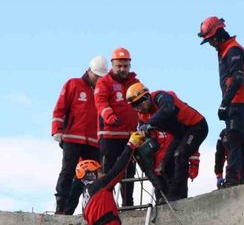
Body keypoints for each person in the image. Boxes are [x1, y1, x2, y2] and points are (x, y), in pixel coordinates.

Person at [199, 16, 244, 187]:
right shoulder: (226, 50)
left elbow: (237, 78)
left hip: (240, 102)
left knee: (233, 138)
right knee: (242, 140)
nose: (210, 44)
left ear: (217, 34)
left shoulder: (232, 50)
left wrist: (225, 103)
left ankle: (233, 180)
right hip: (241, 102)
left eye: (210, 40)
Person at [126, 82, 208, 201]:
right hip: (181, 133)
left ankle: (176, 195)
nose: (138, 108)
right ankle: (170, 195)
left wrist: (150, 124)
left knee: (180, 154)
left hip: (196, 126)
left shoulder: (160, 96)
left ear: (146, 97)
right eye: (134, 106)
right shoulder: (142, 116)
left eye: (139, 104)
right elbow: (144, 132)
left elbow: (169, 108)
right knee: (165, 164)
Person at [51, 56, 108, 214]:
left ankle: (79, 208)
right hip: (72, 137)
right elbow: (60, 108)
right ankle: (60, 206)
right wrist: (57, 129)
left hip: (93, 142)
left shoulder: (103, 90)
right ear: (89, 71)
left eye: (101, 77)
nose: (98, 79)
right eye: (96, 76)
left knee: (90, 176)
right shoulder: (73, 84)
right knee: (68, 171)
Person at [94, 48, 140, 206]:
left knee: (129, 172)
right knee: (109, 173)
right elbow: (100, 101)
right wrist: (109, 115)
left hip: (130, 136)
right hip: (109, 136)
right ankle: (107, 204)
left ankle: (128, 205)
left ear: (129, 65)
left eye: (125, 66)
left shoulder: (135, 83)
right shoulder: (104, 82)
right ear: (112, 65)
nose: (122, 69)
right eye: (119, 66)